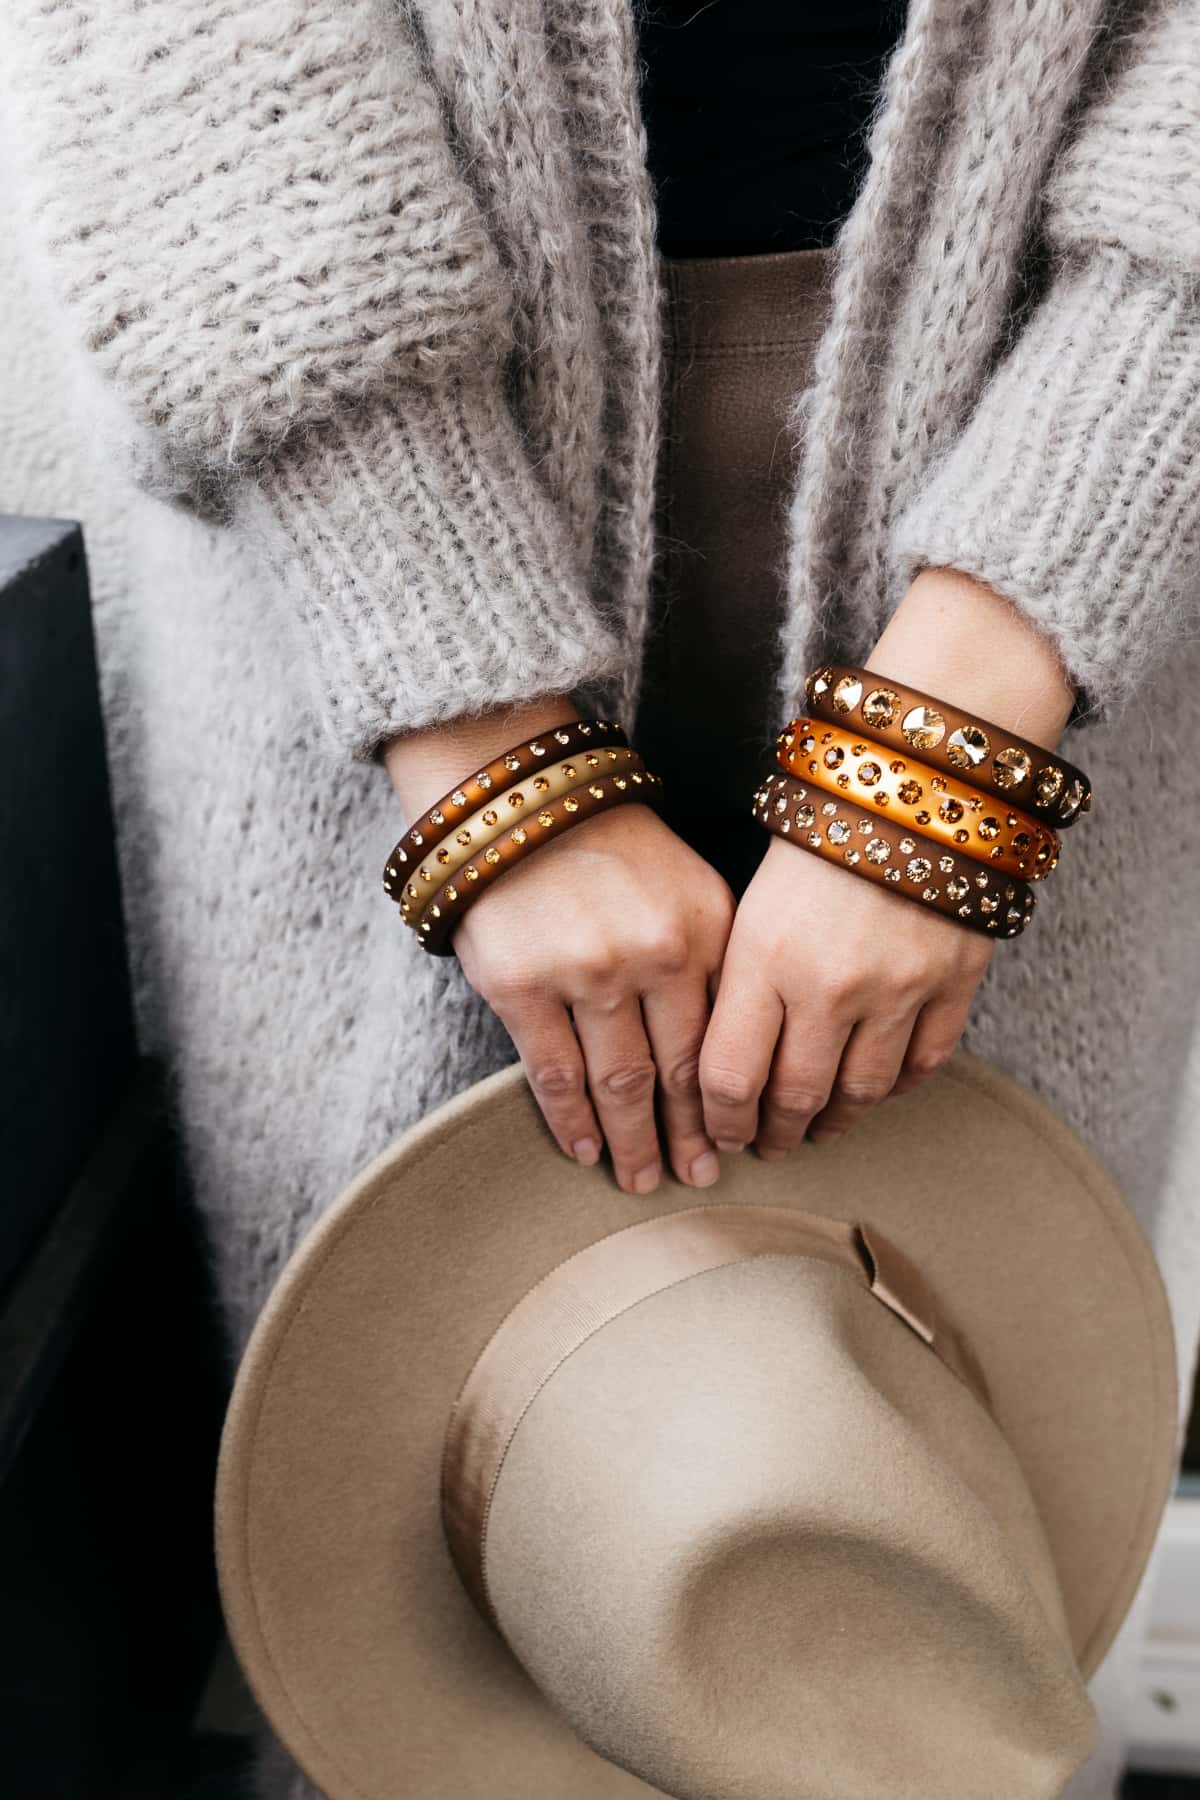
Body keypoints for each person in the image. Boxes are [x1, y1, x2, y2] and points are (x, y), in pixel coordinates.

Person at [1, 4, 1197, 1797]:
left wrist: (969, 725)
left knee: (896, 1517)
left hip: (1054, 509)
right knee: (443, 1540)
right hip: (380, 588)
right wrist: (470, 707)